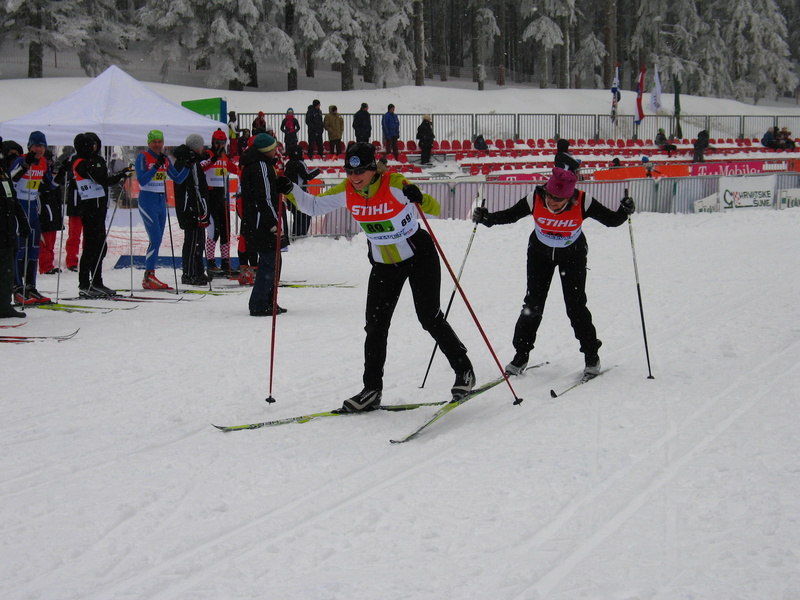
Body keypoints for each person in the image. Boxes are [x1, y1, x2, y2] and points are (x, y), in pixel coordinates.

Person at [283, 142, 476, 412]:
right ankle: (372, 390)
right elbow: (313, 206)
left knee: (429, 317)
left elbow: (434, 208)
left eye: (360, 171)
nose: (354, 177)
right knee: (375, 327)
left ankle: (464, 370)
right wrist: (289, 189)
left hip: (418, 255)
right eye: (350, 172)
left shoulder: (394, 184)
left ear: (373, 169)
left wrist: (417, 196)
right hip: (385, 264)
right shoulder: (347, 190)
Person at [471, 167, 635, 378]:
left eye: (558, 199)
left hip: (572, 255)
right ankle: (521, 354)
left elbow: (611, 220)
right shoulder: (535, 198)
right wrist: (487, 218)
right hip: (540, 254)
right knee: (532, 305)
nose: (552, 202)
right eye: (550, 195)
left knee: (575, 306)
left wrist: (624, 210)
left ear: (569, 196)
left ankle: (591, 355)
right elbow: (511, 215)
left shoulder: (582, 201)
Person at [72, 132, 132, 297]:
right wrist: (121, 175)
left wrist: (121, 174)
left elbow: (104, 177)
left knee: (100, 246)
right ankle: (85, 283)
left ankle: (96, 281)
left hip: (99, 208)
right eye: (91, 145)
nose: (94, 148)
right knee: (91, 247)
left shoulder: (96, 160)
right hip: (89, 209)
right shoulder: (80, 162)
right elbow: (102, 179)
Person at [239, 132, 289, 316]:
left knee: (273, 261)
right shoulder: (260, 165)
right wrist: (274, 223)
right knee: (270, 262)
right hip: (262, 222)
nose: (276, 151)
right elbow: (265, 198)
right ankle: (259, 303)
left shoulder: (259, 164)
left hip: (258, 220)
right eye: (273, 148)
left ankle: (268, 300)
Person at [135, 129, 189, 290]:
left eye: (160, 142)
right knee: (156, 238)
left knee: (157, 239)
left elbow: (177, 178)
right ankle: (149, 275)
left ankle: (149, 276)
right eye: (154, 142)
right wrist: (155, 167)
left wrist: (188, 166)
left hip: (160, 201)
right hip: (147, 201)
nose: (157, 145)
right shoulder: (143, 157)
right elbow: (142, 180)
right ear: (149, 143)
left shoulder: (165, 159)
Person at [9, 130, 57, 304]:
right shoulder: (20, 159)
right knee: (19, 248)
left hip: (33, 208)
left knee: (34, 247)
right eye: (36, 146)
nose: (39, 149)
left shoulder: (43, 162)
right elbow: (12, 178)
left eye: (42, 146)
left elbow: (50, 184)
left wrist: (62, 174)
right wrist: (24, 165)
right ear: (30, 146)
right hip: (19, 208)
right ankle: (17, 287)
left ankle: (30, 287)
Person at [201, 128, 239, 277]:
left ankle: (225, 262)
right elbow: (201, 167)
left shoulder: (224, 156)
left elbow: (234, 169)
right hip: (210, 197)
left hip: (222, 197)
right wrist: (213, 159)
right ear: (213, 142)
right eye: (218, 143)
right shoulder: (207, 154)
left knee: (225, 231)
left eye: (223, 143)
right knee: (214, 230)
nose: (220, 145)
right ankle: (210, 263)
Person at [0, 137, 31, 318]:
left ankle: (4, 304)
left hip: (8, 228)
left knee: (7, 268)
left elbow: (12, 197)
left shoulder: (3, 171)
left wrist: (23, 221)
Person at [174, 135, 210, 286]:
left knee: (198, 240)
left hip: (192, 206)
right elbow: (194, 186)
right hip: (190, 207)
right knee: (193, 241)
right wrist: (200, 206)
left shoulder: (191, 160)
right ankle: (189, 273)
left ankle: (198, 271)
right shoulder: (188, 161)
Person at [283, 145, 321, 238]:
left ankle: (296, 234)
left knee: (297, 216)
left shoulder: (288, 164)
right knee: (305, 215)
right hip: (300, 194)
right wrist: (318, 170)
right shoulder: (300, 163)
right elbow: (308, 175)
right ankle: (301, 235)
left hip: (290, 194)